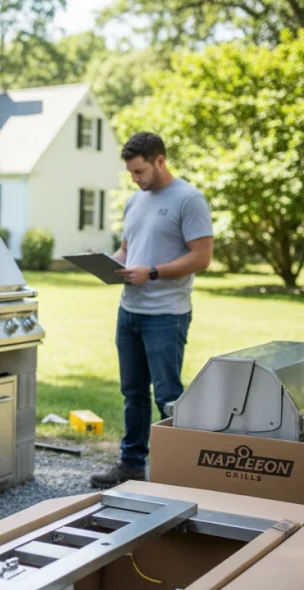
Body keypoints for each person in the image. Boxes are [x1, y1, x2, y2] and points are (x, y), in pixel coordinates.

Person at [90, 132, 214, 489]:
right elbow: (128, 250)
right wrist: (107, 262)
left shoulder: (189, 199)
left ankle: (177, 471)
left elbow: (201, 257)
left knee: (168, 396)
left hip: (166, 315)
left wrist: (153, 273)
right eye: (131, 172)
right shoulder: (135, 200)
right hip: (129, 311)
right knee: (133, 393)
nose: (135, 179)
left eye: (139, 171)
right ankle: (131, 464)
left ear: (160, 161)